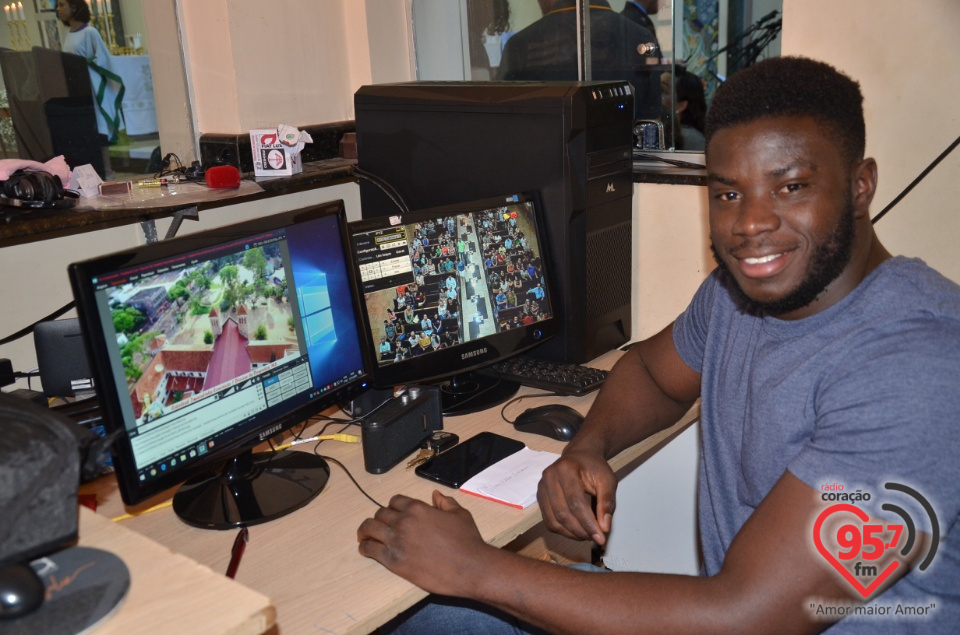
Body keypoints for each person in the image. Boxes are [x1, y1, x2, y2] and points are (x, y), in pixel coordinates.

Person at [358, 56, 960, 633]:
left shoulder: (919, 367)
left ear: (861, 186)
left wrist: (476, 568)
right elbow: (649, 370)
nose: (749, 223)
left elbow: (746, 619)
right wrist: (590, 447)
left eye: (790, 187)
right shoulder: (740, 293)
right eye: (727, 193)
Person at [499, 0, 661, 121]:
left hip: (544, 160)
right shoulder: (641, 37)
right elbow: (651, 122)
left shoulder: (520, 44)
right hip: (626, 160)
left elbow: (504, 120)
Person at [55, 0, 123, 178]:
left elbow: (102, 58)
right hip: (77, 90)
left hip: (92, 90)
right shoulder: (68, 34)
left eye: (62, 5)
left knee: (99, 131)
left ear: (75, 7)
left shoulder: (90, 32)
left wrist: (83, 63)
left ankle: (107, 171)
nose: (58, 9)